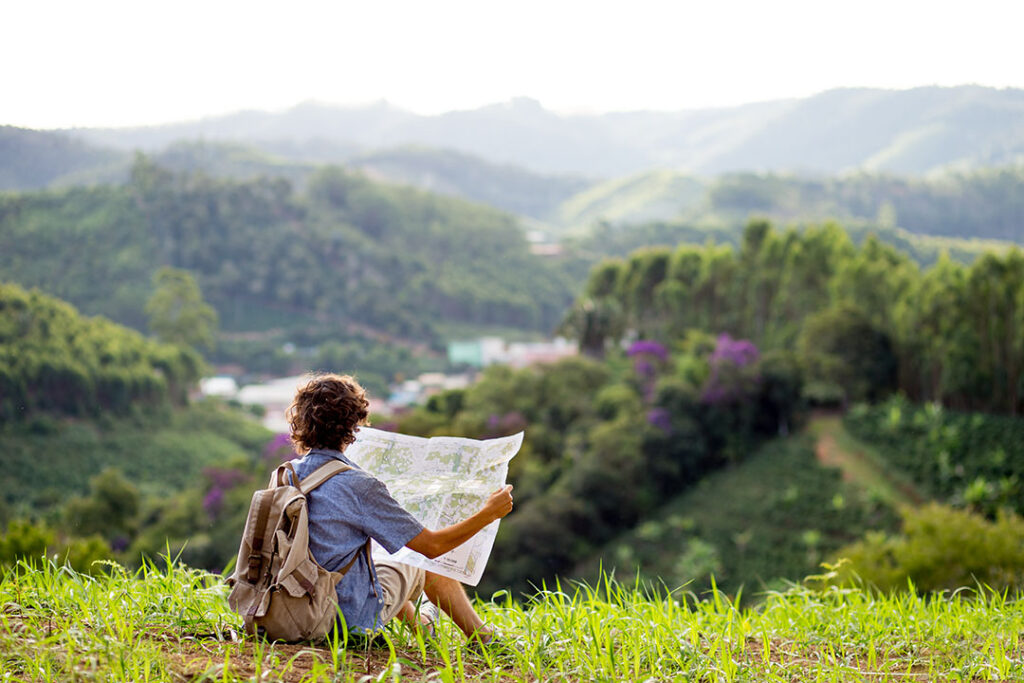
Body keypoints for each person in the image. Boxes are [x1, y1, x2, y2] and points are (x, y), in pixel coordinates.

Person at [286, 372, 513, 644]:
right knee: (420, 558)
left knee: (381, 558)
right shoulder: (358, 484)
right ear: (353, 425)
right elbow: (433, 547)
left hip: (290, 609)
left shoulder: (286, 474)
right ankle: (484, 638)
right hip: (340, 621)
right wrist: (488, 513)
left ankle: (424, 628)